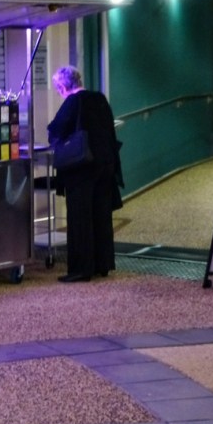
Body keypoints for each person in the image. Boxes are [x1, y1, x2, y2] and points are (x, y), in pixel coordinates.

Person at [47, 66, 122, 283]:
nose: (59, 92)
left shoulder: (73, 101)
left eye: (58, 88)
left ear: (63, 86)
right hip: (105, 163)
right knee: (101, 214)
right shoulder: (99, 98)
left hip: (82, 167)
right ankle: (102, 264)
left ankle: (81, 269)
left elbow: (56, 129)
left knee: (80, 217)